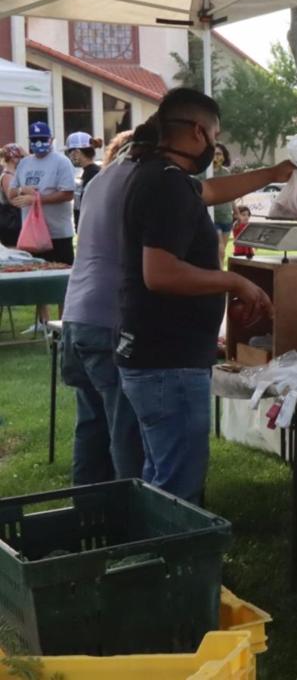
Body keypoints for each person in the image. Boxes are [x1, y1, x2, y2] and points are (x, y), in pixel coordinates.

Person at [117, 89, 295, 504]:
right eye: (215, 135)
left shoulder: (158, 175)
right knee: (178, 486)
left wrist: (272, 172)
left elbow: (210, 192)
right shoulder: (166, 186)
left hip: (152, 356)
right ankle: (177, 564)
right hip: (169, 362)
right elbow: (159, 273)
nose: (215, 146)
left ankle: (153, 558)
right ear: (199, 132)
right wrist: (234, 282)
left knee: (161, 474)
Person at [61, 129, 143, 485]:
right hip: (108, 318)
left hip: (76, 314)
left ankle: (88, 512)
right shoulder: (138, 182)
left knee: (91, 422)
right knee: (123, 426)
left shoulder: (99, 182)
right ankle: (130, 514)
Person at [7, 122, 77, 332]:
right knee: (38, 277)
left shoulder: (61, 162)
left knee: (63, 279)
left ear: (51, 139)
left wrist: (37, 198)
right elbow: (11, 193)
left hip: (57, 231)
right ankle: (42, 321)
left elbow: (67, 193)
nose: (39, 144)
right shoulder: (25, 163)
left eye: (43, 140)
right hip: (32, 232)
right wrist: (21, 191)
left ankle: (65, 320)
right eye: (34, 140)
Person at [65, 131, 101, 231]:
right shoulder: (86, 172)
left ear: (77, 152)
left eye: (69, 152)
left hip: (92, 230)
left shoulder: (94, 174)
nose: (70, 157)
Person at [210, 142, 234, 267]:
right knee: (219, 249)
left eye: (219, 154)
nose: (216, 157)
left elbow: (231, 195)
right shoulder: (205, 173)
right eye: (214, 154)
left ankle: (220, 272)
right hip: (213, 217)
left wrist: (237, 212)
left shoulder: (226, 172)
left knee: (222, 252)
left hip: (226, 217)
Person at [0, 143, 24, 248]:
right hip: (11, 221)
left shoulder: (14, 174)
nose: (22, 160)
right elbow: (12, 200)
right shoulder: (7, 176)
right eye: (20, 157)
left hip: (15, 219)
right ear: (13, 158)